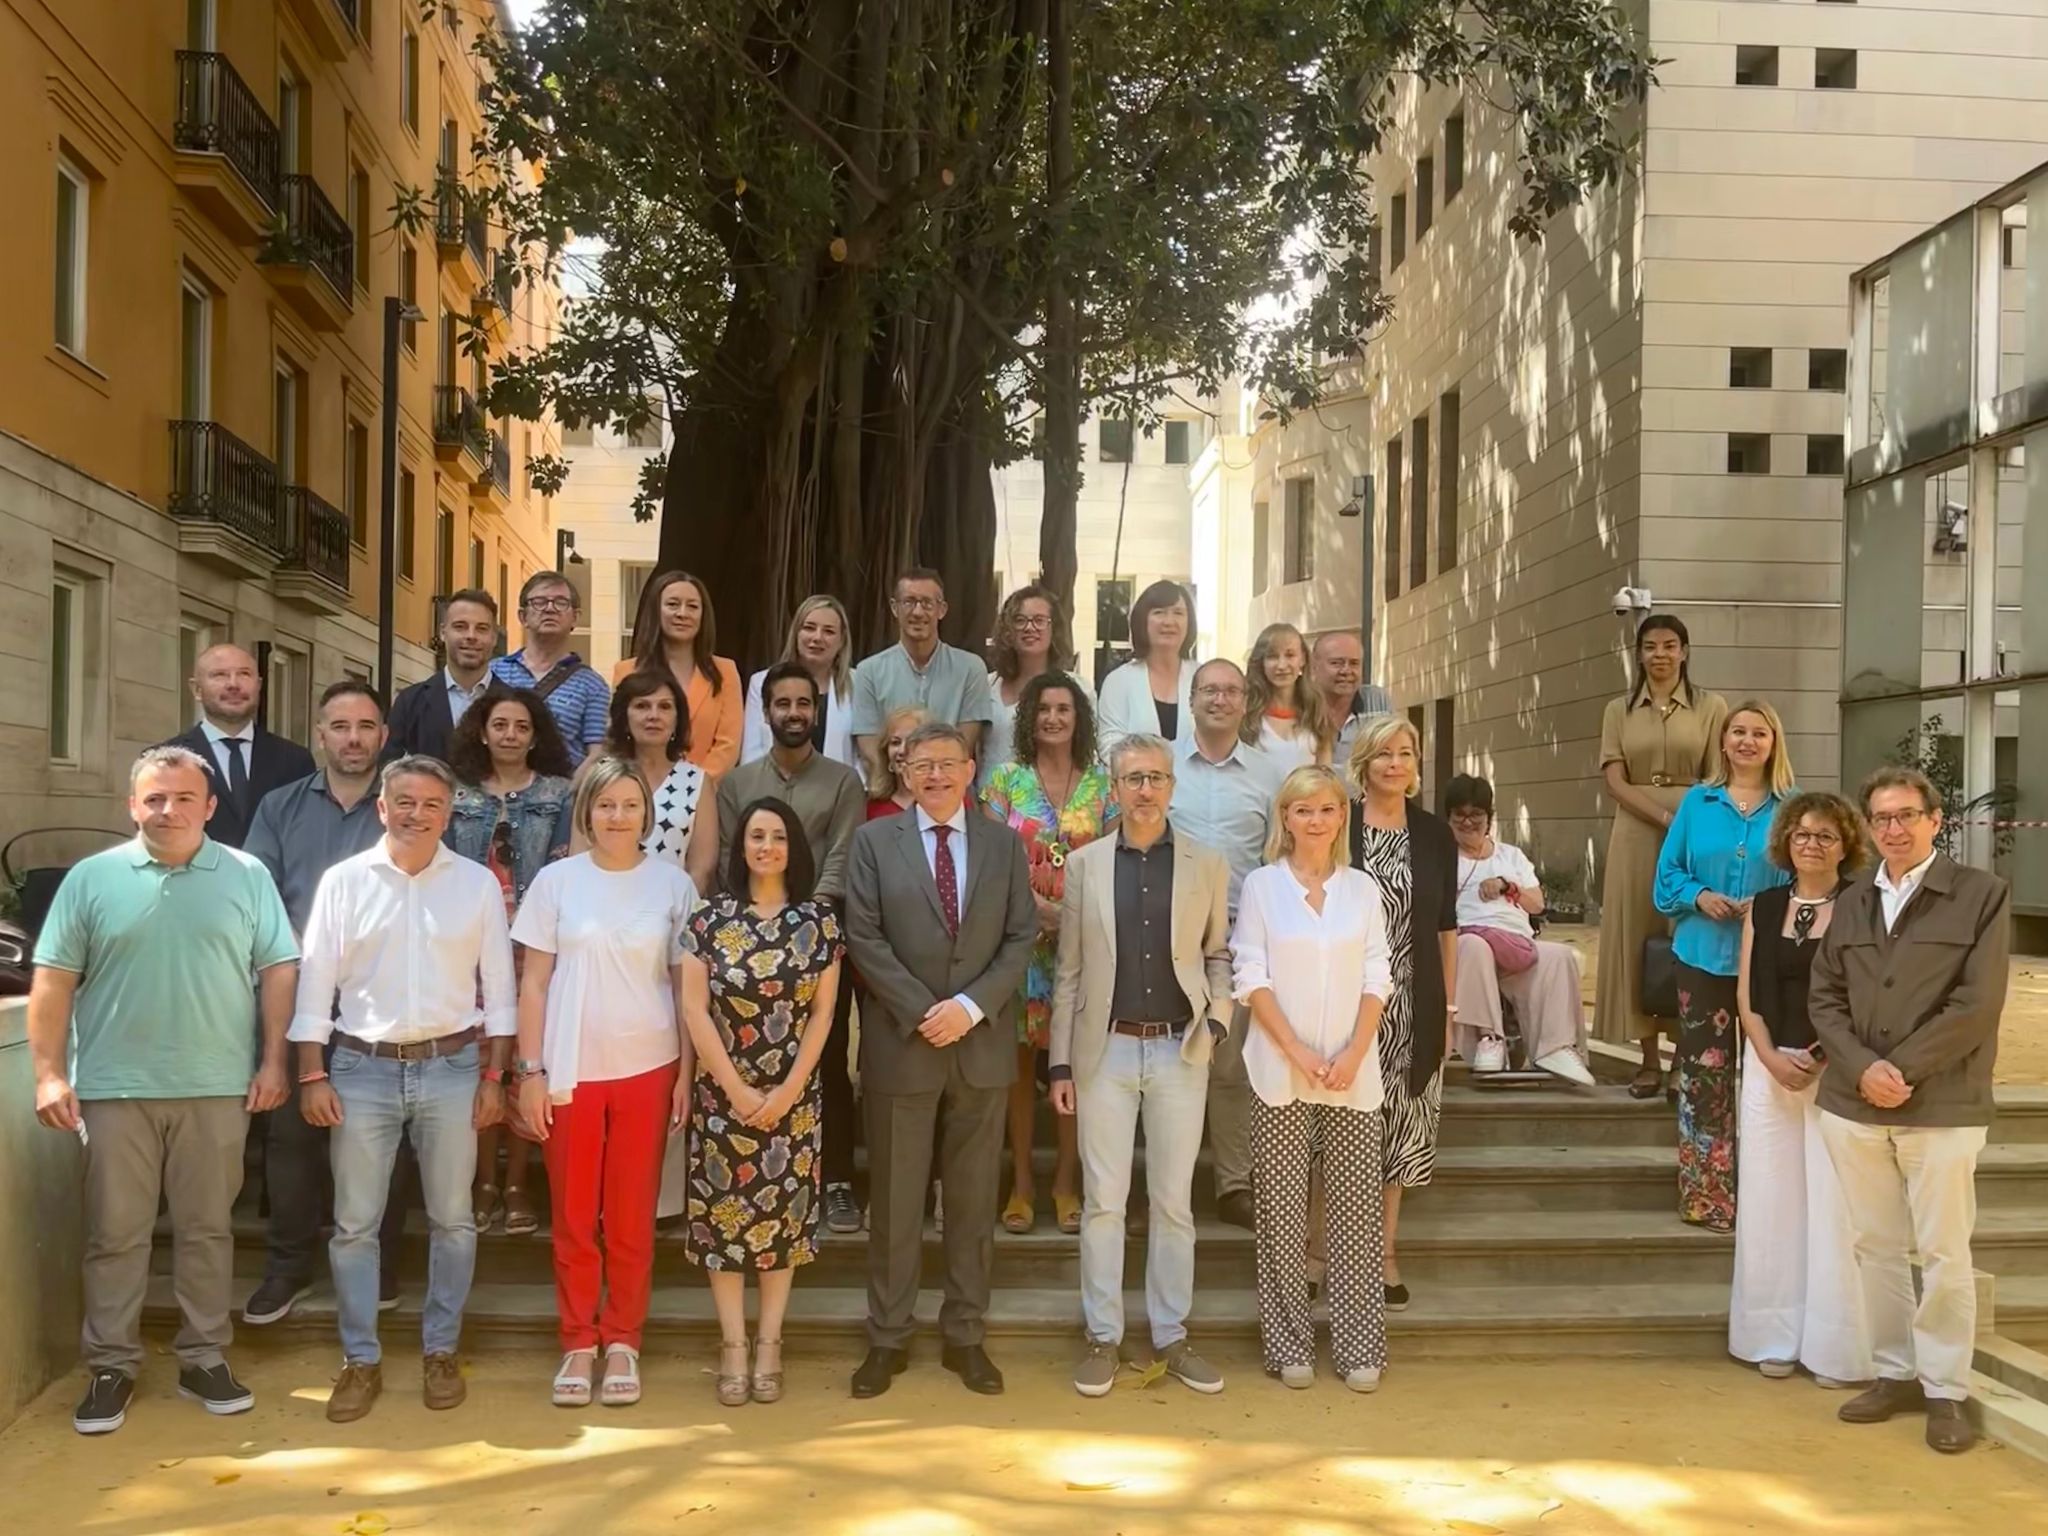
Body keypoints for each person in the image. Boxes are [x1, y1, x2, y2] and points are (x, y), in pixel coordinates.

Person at [31, 746, 297, 1436]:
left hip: (215, 1087)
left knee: (208, 1231)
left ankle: (203, 1356)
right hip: (117, 1089)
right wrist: (49, 1072)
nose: (168, 810)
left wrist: (274, 1062)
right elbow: (53, 981)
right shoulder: (92, 880)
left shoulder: (247, 875)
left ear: (209, 807)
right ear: (132, 806)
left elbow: (277, 969)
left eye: (183, 798)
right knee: (116, 1235)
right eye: (154, 798)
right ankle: (111, 1365)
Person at [291, 755, 517, 1423]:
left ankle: (440, 1349)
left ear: (450, 813)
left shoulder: (475, 885)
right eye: (405, 802)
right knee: (356, 1225)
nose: (418, 814)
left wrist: (496, 1077)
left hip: (451, 1068)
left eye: (432, 804)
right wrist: (310, 1071)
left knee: (453, 1220)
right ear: (382, 808)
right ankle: (359, 1359)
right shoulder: (343, 882)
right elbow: (314, 982)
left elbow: (500, 992)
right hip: (361, 1070)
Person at [1811, 766, 2011, 1455]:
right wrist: (1864, 1069)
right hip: (1853, 1103)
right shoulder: (1853, 897)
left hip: (1944, 1104)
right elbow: (1824, 998)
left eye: (1905, 816)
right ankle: (1894, 1373)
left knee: (1944, 1252)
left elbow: (1977, 1004)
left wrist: (1904, 1070)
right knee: (1875, 1246)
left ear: (1935, 819)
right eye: (1881, 819)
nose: (1892, 829)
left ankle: (1945, 1390)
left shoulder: (1981, 896)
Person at [844, 722, 1036, 1399]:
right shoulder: (873, 843)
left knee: (972, 1201)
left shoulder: (1003, 845)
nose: (934, 775)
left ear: (970, 767)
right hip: (905, 1044)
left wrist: (971, 1008)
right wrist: (924, 1009)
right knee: (896, 1203)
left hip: (979, 1047)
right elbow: (862, 934)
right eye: (920, 764)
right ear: (902, 770)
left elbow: (1020, 938)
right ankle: (888, 1337)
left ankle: (965, 1335)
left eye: (947, 763)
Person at [1049, 734, 1233, 1396]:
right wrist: (1060, 1067)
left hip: (1182, 1050)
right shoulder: (1087, 867)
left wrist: (1217, 1022)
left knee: (1173, 1203)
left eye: (1156, 777)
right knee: (1103, 1202)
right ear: (1115, 787)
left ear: (1172, 788)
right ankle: (1102, 1336)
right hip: (1106, 1052)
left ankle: (1171, 1336)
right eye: (1133, 779)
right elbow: (1068, 974)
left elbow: (1219, 955)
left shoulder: (1207, 864)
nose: (1146, 789)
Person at [511, 757, 697, 1408]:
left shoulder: (672, 886)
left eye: (629, 805)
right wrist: (529, 1072)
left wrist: (688, 1076)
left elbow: (685, 988)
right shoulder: (557, 883)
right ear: (585, 812)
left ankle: (622, 1339)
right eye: (605, 805)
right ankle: (577, 1340)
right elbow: (533, 982)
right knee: (571, 1212)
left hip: (650, 1064)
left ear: (648, 813)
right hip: (570, 1067)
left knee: (629, 1215)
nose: (618, 817)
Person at [242, 682, 408, 1326]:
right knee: (290, 1141)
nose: (353, 738)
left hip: (380, 997)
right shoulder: (280, 807)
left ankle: (382, 1262)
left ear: (384, 735)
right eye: (340, 726)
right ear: (320, 734)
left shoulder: (402, 809)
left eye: (366, 726)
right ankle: (286, 1268)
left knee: (382, 1138)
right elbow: (259, 906)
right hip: (297, 994)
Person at [1231, 764, 1393, 1392]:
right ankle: (1289, 1342)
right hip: (1280, 1067)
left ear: (1340, 817)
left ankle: (1358, 1346)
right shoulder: (1264, 887)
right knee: (1281, 1210)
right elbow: (1251, 973)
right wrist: (1297, 1049)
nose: (1316, 821)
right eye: (1303, 811)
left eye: (1326, 809)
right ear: (1286, 819)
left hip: (1352, 1069)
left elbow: (1378, 972)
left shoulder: (1362, 889)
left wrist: (1355, 1049)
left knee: (1355, 1211)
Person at [681, 798, 846, 1406]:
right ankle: (731, 1345)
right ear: (741, 846)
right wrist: (735, 1088)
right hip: (723, 1096)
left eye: (778, 836)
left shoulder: (819, 923)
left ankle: (770, 1343)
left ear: (793, 845)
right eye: (756, 835)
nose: (766, 846)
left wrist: (790, 1089)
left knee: (780, 1225)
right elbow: (694, 1008)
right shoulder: (708, 920)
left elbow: (825, 1013)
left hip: (794, 1099)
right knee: (723, 1228)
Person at [1729, 791, 1873, 1390]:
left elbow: (1866, 996)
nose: (1811, 844)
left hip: (1834, 1070)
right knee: (1770, 1201)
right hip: (1767, 1069)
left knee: (1834, 1206)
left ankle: (1835, 1345)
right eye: (1802, 834)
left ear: (1846, 846)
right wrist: (1766, 1055)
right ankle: (1770, 1335)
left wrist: (1817, 1057)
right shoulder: (1762, 906)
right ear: (1786, 841)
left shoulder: (1863, 904)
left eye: (1825, 836)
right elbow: (1746, 994)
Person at [716, 663, 865, 1232]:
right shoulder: (736, 785)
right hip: (746, 948)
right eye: (783, 704)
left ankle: (836, 1182)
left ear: (816, 711)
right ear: (767, 711)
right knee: (751, 1055)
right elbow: (734, 859)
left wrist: (802, 924)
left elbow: (841, 856)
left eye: (805, 703)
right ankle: (755, 1172)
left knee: (826, 1058)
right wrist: (759, 928)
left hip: (820, 943)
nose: (795, 713)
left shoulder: (842, 782)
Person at [979, 675, 1117, 1235]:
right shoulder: (1003, 782)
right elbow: (991, 861)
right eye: (1043, 709)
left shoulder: (1106, 787)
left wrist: (1073, 917)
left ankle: (1066, 1179)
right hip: (1018, 944)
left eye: (1064, 709)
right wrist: (1038, 909)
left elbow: (1115, 863)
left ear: (1079, 718)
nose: (1054, 718)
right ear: (1028, 719)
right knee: (1017, 1066)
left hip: (1085, 948)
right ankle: (1022, 1183)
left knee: (1075, 1066)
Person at [1653, 700, 1796, 1233]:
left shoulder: (1794, 807)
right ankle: (1707, 1198)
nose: (1747, 741)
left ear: (1774, 742)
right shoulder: (1698, 802)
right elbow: (1666, 876)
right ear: (1723, 741)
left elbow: (1812, 877)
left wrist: (1769, 905)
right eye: (1738, 731)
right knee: (1704, 1079)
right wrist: (1700, 894)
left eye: (1759, 732)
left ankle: (1770, 1198)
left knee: (1768, 1077)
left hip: (1771, 964)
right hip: (1702, 958)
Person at [445, 686, 575, 1239]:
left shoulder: (559, 793)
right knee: (480, 1061)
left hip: (535, 942)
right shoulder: (455, 793)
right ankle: (482, 1180)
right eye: (500, 725)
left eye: (522, 727)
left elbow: (566, 864)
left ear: (535, 734)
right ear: (481, 730)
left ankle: (518, 1181)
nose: (511, 736)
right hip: (470, 942)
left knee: (527, 1057)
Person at [1167, 657, 1286, 1230]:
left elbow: (1278, 857)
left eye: (1231, 690)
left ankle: (1233, 1184)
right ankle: (1164, 1187)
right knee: (1165, 1064)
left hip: (1239, 938)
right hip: (1165, 936)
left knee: (1231, 1066)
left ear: (1246, 702)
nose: (1220, 698)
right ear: (1192, 699)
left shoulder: (1269, 775)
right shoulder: (1160, 764)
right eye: (1209, 689)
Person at [1347, 714, 1457, 1310]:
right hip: (1348, 1003)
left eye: (1406, 753)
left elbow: (1447, 926)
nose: (1395, 763)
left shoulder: (1435, 834)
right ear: (1364, 760)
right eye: (1384, 753)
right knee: (1334, 1132)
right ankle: (1319, 1250)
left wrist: (1450, 1004)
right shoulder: (1339, 825)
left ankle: (1384, 1255)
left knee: (1403, 1133)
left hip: (1417, 1005)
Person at [1594, 614, 1729, 1098]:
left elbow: (1718, 775)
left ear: (1685, 651)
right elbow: (1614, 779)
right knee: (1638, 937)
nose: (1660, 655)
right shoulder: (1619, 709)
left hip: (1695, 827)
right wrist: (1661, 817)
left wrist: (1685, 822)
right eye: (1650, 646)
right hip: (1636, 829)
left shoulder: (1712, 707)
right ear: (1640, 653)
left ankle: (1681, 1061)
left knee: (1685, 937)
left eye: (1670, 646)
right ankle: (1647, 1060)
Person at [1443, 774, 1595, 1086]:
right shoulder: (1443, 857)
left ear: (1490, 818)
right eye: (1460, 814)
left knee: (1559, 956)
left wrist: (1506, 886)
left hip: (1515, 942)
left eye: (1477, 815)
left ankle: (1555, 1046)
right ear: (1449, 817)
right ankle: (1489, 1039)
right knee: (1474, 945)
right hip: (1467, 942)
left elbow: (1537, 904)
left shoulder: (1510, 855)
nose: (1468, 822)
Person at [849, 568, 996, 784]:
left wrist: (932, 783)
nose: (918, 612)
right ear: (894, 608)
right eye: (909, 602)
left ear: (942, 609)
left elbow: (965, 744)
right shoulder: (868, 672)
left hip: (950, 792)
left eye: (927, 603)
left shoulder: (970, 669)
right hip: (892, 795)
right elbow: (869, 745)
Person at [161, 643, 315, 848]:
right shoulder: (164, 761)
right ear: (197, 689)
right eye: (219, 675)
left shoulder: (296, 761)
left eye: (244, 674)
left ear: (258, 685)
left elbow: (305, 837)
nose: (233, 684)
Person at [587, 669, 719, 894]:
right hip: (601, 909)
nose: (654, 716)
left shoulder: (697, 782)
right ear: (624, 717)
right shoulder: (600, 775)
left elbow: (702, 868)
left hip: (672, 915)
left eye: (665, 707)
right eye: (642, 706)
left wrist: (675, 918)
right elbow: (579, 854)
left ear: (678, 718)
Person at [613, 570, 744, 779]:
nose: (682, 613)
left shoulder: (725, 672)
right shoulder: (627, 671)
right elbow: (620, 738)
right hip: (640, 790)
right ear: (656, 611)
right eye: (673, 604)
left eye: (692, 606)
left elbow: (728, 745)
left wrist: (690, 786)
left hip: (706, 792)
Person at [980, 584, 1092, 795]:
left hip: (1051, 808)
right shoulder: (986, 686)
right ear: (1008, 630)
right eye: (1020, 620)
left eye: (1039, 620)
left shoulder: (1078, 690)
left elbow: (1087, 755)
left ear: (1054, 628)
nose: (1029, 628)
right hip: (990, 806)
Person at [490, 571, 610, 765]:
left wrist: (566, 794)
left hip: (564, 788)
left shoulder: (592, 685)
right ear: (523, 616)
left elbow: (596, 754)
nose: (550, 609)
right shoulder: (493, 672)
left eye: (561, 602)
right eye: (539, 602)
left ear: (575, 617)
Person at [741, 594, 861, 776]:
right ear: (796, 633)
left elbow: (863, 757)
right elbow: (752, 754)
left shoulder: (859, 684)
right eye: (809, 628)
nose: (817, 637)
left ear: (842, 640)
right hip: (774, 795)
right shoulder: (761, 682)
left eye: (828, 631)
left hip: (838, 795)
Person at [386, 589, 500, 761]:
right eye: (460, 627)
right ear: (442, 632)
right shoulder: (409, 703)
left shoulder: (515, 704)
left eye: (481, 629)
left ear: (494, 637)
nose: (471, 636)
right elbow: (389, 769)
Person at [1096, 580, 1199, 754]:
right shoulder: (1119, 681)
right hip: (1137, 779)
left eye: (1178, 613)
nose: (1169, 621)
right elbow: (1109, 746)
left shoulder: (1203, 677)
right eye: (1159, 612)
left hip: (1201, 780)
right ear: (1142, 621)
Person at [1242, 621, 1334, 771]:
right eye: (1272, 656)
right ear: (1261, 662)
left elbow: (1326, 775)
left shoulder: (1315, 710)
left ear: (1303, 659)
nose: (1281, 665)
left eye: (1290, 655)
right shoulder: (1246, 713)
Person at [1312, 630, 1394, 767]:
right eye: (1336, 663)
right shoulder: (1300, 706)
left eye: (1354, 663)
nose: (1346, 671)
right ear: (1314, 667)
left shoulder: (1378, 702)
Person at [867, 705, 928, 820]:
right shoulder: (871, 808)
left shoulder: (946, 801)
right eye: (895, 743)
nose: (902, 750)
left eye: (911, 742)